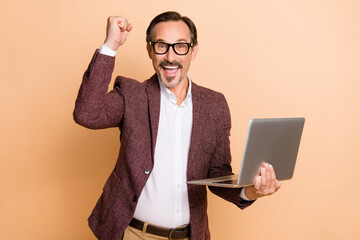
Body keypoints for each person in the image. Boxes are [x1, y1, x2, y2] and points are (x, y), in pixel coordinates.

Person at [73, 11, 281, 240]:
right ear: (150, 50)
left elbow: (218, 175)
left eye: (180, 46)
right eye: (161, 46)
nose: (170, 57)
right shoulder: (132, 95)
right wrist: (110, 45)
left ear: (194, 50)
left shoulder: (215, 105)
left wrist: (250, 191)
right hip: (133, 233)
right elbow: (87, 114)